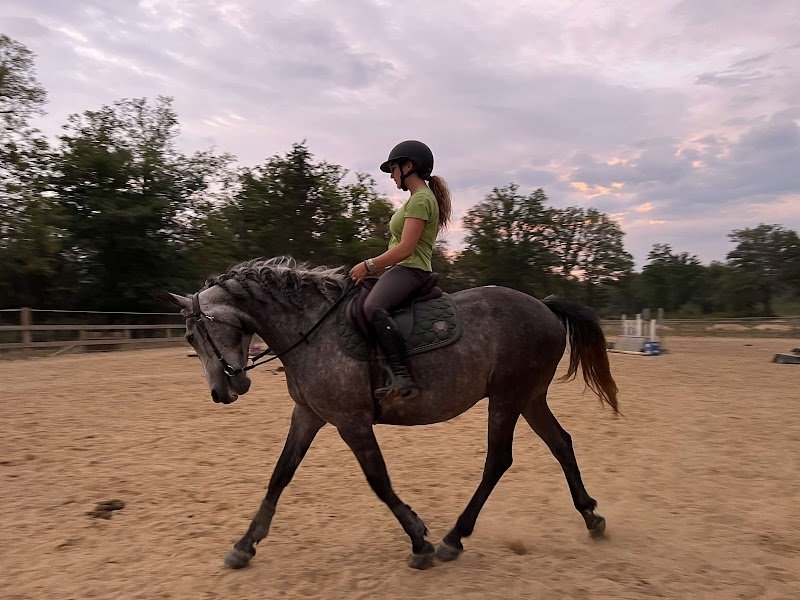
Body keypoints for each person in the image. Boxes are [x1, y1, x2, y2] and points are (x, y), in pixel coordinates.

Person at [349, 140, 452, 402]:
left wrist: (369, 265)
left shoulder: (421, 200)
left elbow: (406, 249)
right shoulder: (417, 199)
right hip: (401, 269)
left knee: (373, 307)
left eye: (393, 169)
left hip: (411, 269)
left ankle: (402, 375)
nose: (392, 175)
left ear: (409, 166)